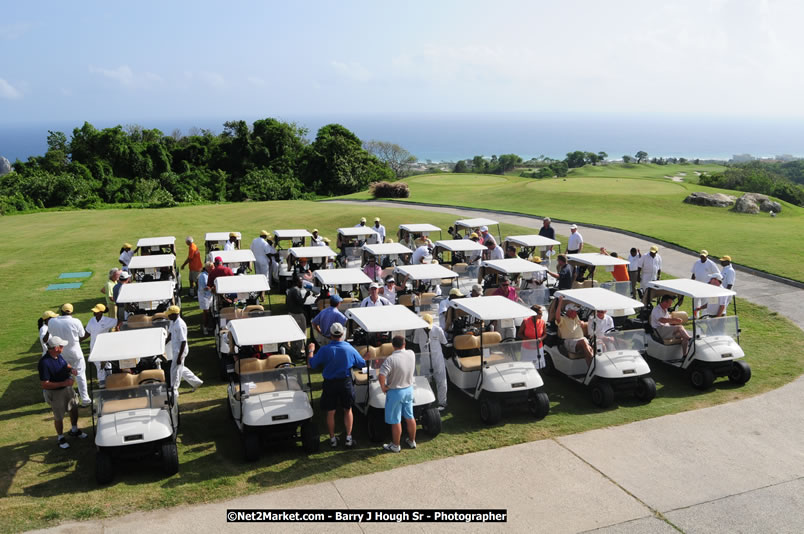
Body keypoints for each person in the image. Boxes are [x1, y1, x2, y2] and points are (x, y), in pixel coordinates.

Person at [307, 323, 365, 448]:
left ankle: (332, 439)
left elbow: (311, 364)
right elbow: (361, 363)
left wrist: (311, 351)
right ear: (342, 334)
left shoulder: (324, 350)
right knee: (347, 409)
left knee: (331, 412)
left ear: (331, 334)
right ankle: (349, 438)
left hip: (330, 384)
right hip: (345, 382)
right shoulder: (348, 348)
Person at [39, 336, 87, 449]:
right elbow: (45, 384)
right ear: (56, 348)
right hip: (55, 393)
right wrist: (64, 383)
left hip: (67, 389)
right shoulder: (44, 363)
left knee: (74, 408)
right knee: (58, 416)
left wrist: (71, 369)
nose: (63, 347)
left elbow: (65, 365)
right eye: (61, 346)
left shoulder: (58, 356)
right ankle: (60, 437)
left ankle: (74, 429)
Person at [47, 303, 90, 406]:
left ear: (61, 311)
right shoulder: (76, 321)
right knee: (80, 375)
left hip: (60, 352)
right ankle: (85, 399)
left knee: (64, 377)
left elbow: (50, 332)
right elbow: (82, 335)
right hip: (75, 351)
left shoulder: (52, 321)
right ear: (71, 312)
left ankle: (67, 400)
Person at [379, 336, 417, 452]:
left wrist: (383, 387)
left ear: (393, 345)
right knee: (410, 417)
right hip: (409, 390)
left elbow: (381, 375)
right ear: (404, 344)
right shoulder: (411, 353)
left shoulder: (390, 359)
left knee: (396, 421)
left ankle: (396, 445)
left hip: (395, 392)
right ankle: (412, 440)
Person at [413, 314, 448, 411]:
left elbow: (444, 343)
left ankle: (442, 403)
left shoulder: (438, 330)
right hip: (425, 361)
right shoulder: (418, 331)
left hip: (438, 360)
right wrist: (417, 362)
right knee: (425, 383)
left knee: (441, 382)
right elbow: (415, 346)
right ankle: (426, 403)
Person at [165, 305, 203, 395]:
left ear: (175, 314)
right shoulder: (173, 321)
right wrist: (163, 344)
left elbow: (183, 341)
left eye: (169, 314)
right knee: (180, 369)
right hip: (175, 349)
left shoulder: (180, 325)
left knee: (175, 370)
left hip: (180, 351)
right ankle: (196, 382)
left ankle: (174, 389)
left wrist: (179, 357)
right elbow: (170, 334)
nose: (168, 316)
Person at [82, 304, 117, 386]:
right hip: (93, 346)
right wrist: (79, 340)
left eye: (96, 311)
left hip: (104, 346)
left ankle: (107, 379)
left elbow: (118, 322)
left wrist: (117, 329)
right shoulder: (91, 320)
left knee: (106, 362)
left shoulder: (108, 320)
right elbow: (87, 333)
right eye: (94, 311)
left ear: (101, 312)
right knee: (97, 363)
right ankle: (103, 379)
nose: (94, 313)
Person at [555, 298, 593, 366]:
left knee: (593, 346)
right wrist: (560, 302)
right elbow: (557, 317)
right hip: (570, 341)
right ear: (568, 311)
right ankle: (592, 366)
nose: (576, 313)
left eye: (576, 311)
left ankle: (591, 366)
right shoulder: (562, 319)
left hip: (581, 340)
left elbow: (581, 323)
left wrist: (582, 322)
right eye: (574, 311)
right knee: (583, 343)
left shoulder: (576, 317)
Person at [286, 276, 311, 359]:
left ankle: (294, 349)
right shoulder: (296, 290)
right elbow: (300, 302)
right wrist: (306, 296)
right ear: (297, 282)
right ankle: (301, 351)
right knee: (302, 332)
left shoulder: (290, 290)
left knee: (294, 332)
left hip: (291, 313)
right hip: (297, 314)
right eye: (301, 281)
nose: (302, 283)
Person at [691, 250, 720, 316]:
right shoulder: (697, 263)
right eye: (701, 256)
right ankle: (695, 315)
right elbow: (693, 274)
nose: (702, 257)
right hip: (697, 285)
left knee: (704, 301)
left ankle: (703, 316)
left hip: (706, 286)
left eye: (704, 256)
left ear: (707, 256)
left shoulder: (711, 264)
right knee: (695, 301)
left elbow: (717, 274)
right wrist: (691, 283)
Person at [198, 262, 214, 335]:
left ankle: (210, 326)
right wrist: (211, 288)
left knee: (211, 311)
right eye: (212, 267)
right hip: (204, 296)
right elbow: (203, 288)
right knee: (206, 312)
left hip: (210, 295)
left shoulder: (210, 274)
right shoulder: (203, 276)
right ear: (208, 268)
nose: (213, 269)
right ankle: (205, 327)